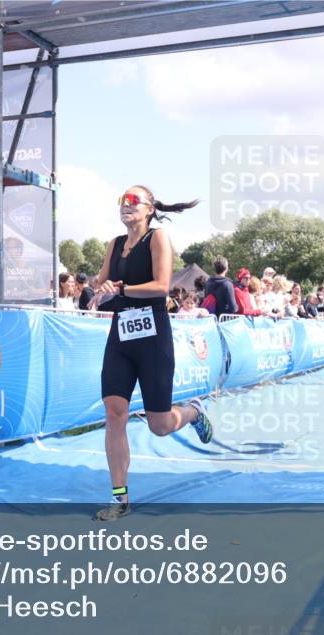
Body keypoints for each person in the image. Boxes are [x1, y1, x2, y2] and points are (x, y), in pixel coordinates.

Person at [90, 185, 213, 521]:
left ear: (149, 208)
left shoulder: (158, 239)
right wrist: (97, 291)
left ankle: (192, 413)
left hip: (153, 339)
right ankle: (120, 498)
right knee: (114, 415)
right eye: (121, 201)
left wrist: (122, 289)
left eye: (133, 201)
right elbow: (101, 282)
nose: (125, 206)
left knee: (159, 425)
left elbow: (161, 286)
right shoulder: (114, 244)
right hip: (121, 337)